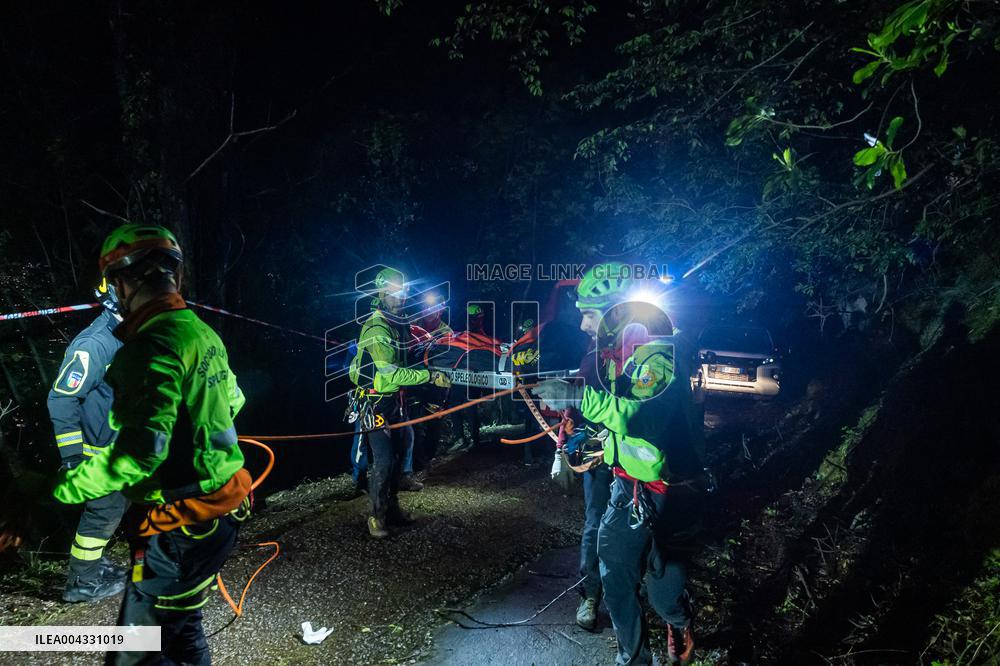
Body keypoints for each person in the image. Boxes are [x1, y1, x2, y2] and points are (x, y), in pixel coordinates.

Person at [53, 224, 251, 665]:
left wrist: (63, 488)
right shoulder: (199, 331)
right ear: (175, 275)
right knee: (181, 629)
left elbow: (140, 454)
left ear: (120, 284)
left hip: (180, 523)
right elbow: (234, 399)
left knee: (137, 651)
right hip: (222, 512)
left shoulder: (148, 347)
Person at [533, 262, 704, 666]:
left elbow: (641, 416)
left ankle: (677, 620)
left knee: (663, 587)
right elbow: (615, 416)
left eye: (590, 315)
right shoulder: (614, 355)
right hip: (627, 487)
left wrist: (579, 398)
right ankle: (633, 659)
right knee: (614, 573)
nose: (583, 325)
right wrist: (594, 440)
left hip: (668, 493)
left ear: (618, 313)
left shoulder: (660, 355)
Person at [349, 267, 450, 538]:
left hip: (397, 401)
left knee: (400, 452)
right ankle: (376, 516)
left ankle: (392, 509)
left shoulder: (400, 323)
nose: (401, 297)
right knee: (383, 460)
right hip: (376, 404)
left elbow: (409, 358)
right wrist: (429, 376)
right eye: (395, 292)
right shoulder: (377, 327)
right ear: (382, 293)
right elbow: (390, 374)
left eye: (404, 292)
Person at [47, 278, 129, 603]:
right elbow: (61, 399)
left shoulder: (131, 334)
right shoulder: (95, 344)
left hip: (123, 446)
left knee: (121, 506)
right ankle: (81, 583)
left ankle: (94, 567)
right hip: (97, 453)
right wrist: (72, 458)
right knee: (104, 512)